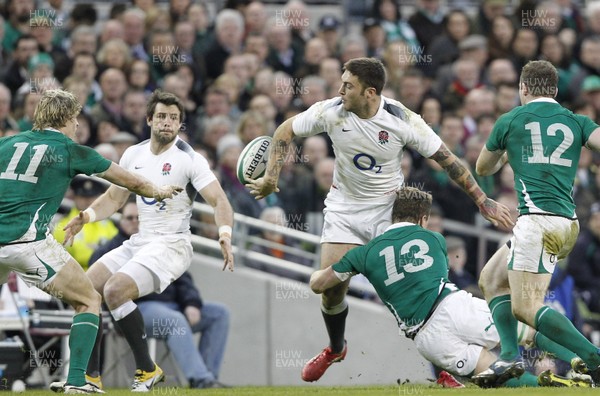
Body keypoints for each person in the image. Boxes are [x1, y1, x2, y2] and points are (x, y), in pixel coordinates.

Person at [247, 57, 513, 382]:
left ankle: (443, 371)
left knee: (414, 292)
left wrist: (482, 200)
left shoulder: (402, 120)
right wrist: (272, 177)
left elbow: (448, 160)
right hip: (344, 209)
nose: (340, 89)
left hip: (389, 212)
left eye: (348, 85)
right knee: (330, 290)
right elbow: (285, 129)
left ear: (370, 92)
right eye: (342, 83)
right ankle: (335, 347)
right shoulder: (331, 111)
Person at [309, 187, 592, 388]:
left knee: (495, 377)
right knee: (526, 333)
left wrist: (335, 269)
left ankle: (555, 389)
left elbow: (319, 284)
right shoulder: (436, 240)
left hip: (426, 335)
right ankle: (579, 360)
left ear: (392, 217)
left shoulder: (364, 254)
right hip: (453, 307)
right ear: (423, 219)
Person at [0, 89, 180, 394]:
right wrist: (158, 191)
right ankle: (78, 382)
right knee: (88, 300)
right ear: (68, 118)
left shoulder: (6, 143)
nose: (77, 126)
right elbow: (127, 181)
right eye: (75, 119)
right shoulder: (70, 150)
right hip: (27, 241)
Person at [56, 90, 234, 392]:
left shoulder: (190, 159)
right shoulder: (133, 154)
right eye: (162, 116)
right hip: (140, 242)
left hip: (172, 245)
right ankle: (91, 378)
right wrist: (85, 216)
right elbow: (114, 197)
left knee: (114, 290)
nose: (168, 123)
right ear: (150, 119)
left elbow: (220, 201)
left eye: (174, 118)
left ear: (180, 124)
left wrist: (225, 235)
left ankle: (146, 370)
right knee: (85, 291)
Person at [475, 60, 600, 387]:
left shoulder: (511, 119)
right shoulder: (575, 121)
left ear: (523, 88)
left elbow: (483, 168)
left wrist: (508, 152)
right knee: (490, 278)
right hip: (567, 223)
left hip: (536, 224)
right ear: (556, 90)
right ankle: (509, 356)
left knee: (525, 308)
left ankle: (593, 357)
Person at [90, 202, 230, 389]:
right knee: (175, 321)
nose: (134, 222)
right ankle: (200, 379)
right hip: (140, 309)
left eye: (139, 218)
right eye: (129, 218)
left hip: (173, 304)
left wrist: (191, 303)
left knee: (219, 314)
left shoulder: (160, 243)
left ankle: (209, 378)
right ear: (120, 221)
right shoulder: (110, 250)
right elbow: (97, 290)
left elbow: (183, 279)